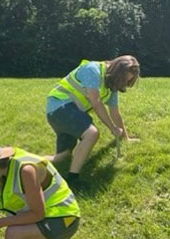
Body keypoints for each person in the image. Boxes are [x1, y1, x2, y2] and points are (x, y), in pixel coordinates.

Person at [46, 55, 140, 186]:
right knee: (92, 133)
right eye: (123, 80)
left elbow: (115, 112)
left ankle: (22, 160)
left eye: (127, 81)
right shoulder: (92, 70)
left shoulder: (111, 85)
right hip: (59, 108)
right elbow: (96, 102)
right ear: (116, 72)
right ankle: (73, 180)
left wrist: (125, 137)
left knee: (62, 158)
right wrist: (112, 128)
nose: (123, 84)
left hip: (62, 114)